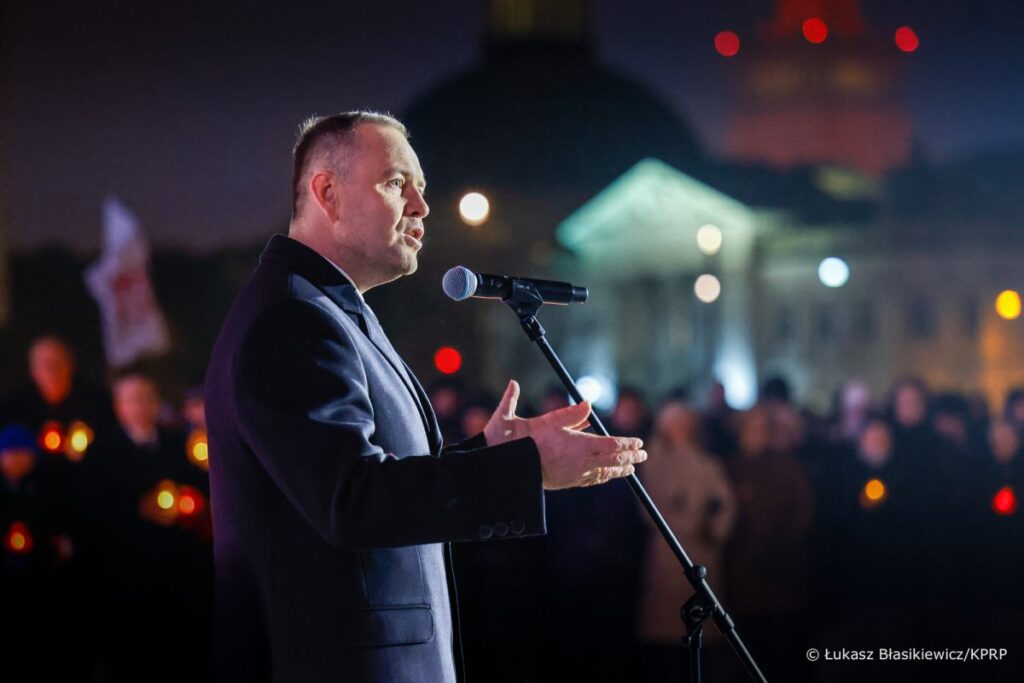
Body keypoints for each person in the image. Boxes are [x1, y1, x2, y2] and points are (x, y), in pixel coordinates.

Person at [204, 111, 646, 683]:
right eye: (395, 183)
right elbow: (352, 500)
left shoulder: (327, 312)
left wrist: (489, 454)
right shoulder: (292, 319)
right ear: (328, 193)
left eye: (421, 187)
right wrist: (523, 469)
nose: (421, 205)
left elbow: (377, 479)